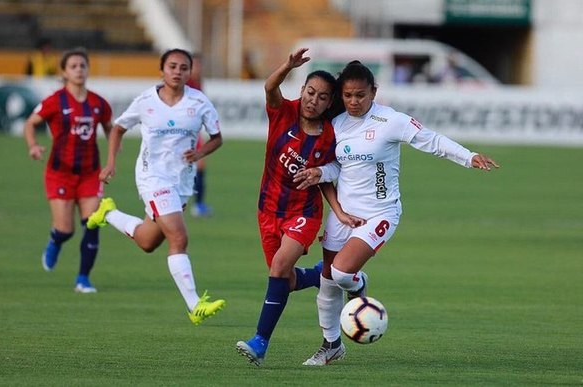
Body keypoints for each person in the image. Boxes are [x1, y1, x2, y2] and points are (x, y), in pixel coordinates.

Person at [294, 60, 499, 366]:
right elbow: (339, 165)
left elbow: (432, 141)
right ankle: (331, 344)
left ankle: (359, 285)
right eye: (348, 95)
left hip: (380, 213)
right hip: (343, 214)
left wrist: (468, 157)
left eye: (360, 95)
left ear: (373, 92)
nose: (353, 101)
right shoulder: (336, 124)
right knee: (327, 281)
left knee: (341, 273)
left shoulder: (391, 121)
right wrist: (319, 172)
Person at [235, 48, 365, 366]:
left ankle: (260, 342)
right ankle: (324, 273)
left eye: (322, 97)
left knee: (279, 268)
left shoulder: (329, 137)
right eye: (310, 92)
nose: (313, 100)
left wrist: (338, 212)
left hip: (303, 214)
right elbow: (268, 88)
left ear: (329, 102)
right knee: (286, 280)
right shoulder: (284, 113)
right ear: (301, 90)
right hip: (267, 210)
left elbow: (326, 180)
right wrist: (287, 66)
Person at [86, 48, 225, 325]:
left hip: (182, 183)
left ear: (190, 72)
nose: (178, 72)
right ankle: (195, 304)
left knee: (148, 242)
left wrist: (199, 154)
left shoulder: (199, 103)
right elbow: (118, 128)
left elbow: (217, 138)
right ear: (162, 69)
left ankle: (107, 213)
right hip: (153, 178)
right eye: (172, 66)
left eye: (183, 67)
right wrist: (111, 162)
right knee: (179, 239)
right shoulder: (146, 100)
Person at [24, 47, 113, 293]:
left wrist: (111, 160)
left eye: (82, 65)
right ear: (64, 71)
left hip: (89, 174)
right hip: (59, 173)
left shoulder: (98, 103)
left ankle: (83, 279)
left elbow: (111, 129)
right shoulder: (55, 101)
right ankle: (55, 240)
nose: (79, 70)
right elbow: (30, 124)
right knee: (66, 230)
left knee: (93, 223)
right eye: (73, 66)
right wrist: (33, 146)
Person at [186, 53, 212, 217]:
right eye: (195, 65)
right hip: (184, 131)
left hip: (194, 130)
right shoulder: (185, 83)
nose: (198, 68)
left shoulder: (198, 82)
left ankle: (199, 205)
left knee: (200, 165)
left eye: (199, 65)